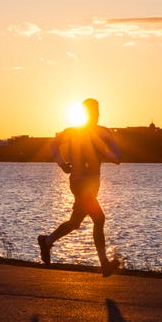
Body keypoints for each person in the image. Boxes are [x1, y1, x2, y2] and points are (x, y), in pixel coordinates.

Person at [38, 98, 122, 276]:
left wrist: (107, 152)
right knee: (99, 219)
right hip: (79, 183)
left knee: (75, 223)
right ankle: (104, 263)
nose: (95, 116)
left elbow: (117, 156)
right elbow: (53, 145)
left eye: (97, 113)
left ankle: (46, 241)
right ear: (84, 114)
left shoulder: (104, 132)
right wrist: (62, 164)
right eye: (91, 113)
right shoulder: (73, 132)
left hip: (93, 185)